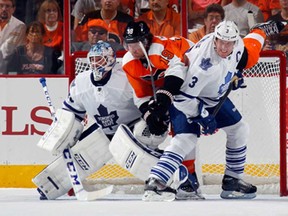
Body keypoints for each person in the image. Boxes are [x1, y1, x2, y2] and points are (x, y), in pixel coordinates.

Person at [142, 20, 285, 201]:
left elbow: (247, 49)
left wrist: (234, 74)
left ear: (235, 42)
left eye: (229, 43)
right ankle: (156, 181)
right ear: (214, 40)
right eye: (221, 42)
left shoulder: (239, 47)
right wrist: (201, 115)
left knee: (239, 128)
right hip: (186, 98)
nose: (224, 47)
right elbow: (182, 99)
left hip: (210, 97)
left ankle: (232, 180)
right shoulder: (202, 66)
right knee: (186, 139)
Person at [33, 41, 142, 200]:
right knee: (81, 157)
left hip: (132, 128)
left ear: (111, 59)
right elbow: (72, 112)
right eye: (92, 59)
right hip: (105, 131)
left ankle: (170, 180)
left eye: (100, 59)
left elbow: (145, 102)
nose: (95, 63)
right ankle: (51, 186)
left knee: (142, 153)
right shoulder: (82, 82)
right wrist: (63, 130)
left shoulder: (126, 77)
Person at [122, 21, 203, 200]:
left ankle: (188, 179)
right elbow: (140, 95)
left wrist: (164, 98)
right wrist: (150, 115)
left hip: (192, 75)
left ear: (146, 41)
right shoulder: (128, 62)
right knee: (145, 131)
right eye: (129, 43)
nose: (132, 48)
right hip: (167, 86)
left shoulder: (160, 48)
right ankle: (164, 173)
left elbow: (178, 69)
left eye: (136, 43)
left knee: (183, 128)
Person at [0, 0, 26, 74]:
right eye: (1, 6)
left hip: (8, 70)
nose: (4, 9)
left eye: (7, 6)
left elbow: (15, 52)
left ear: (13, 9)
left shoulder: (20, 26)